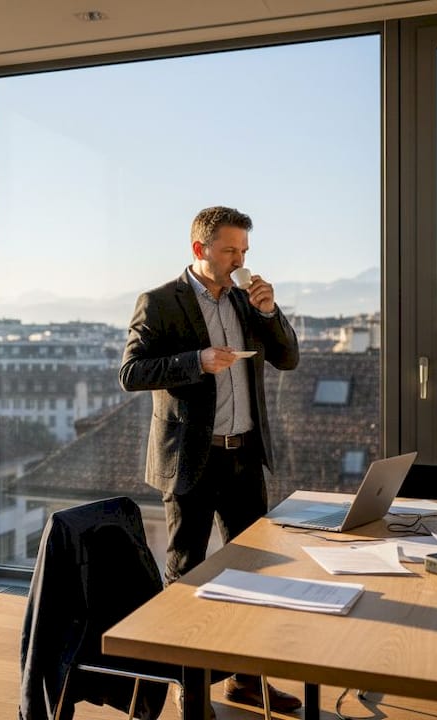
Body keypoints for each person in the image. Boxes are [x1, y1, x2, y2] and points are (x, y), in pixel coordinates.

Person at [119, 205, 301, 714]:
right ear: (200, 249)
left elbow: (288, 357)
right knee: (185, 574)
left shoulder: (247, 301)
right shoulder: (159, 302)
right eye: (230, 250)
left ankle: (247, 680)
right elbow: (131, 372)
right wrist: (194, 362)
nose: (239, 259)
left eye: (244, 250)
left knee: (254, 572)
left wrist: (268, 312)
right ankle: (188, 684)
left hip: (244, 457)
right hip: (190, 460)